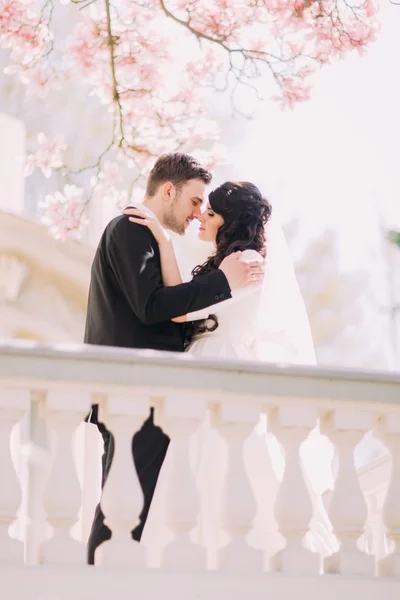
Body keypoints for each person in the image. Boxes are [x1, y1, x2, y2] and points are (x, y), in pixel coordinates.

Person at [124, 181, 337, 567]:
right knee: (195, 472)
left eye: (210, 213)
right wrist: (163, 238)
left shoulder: (247, 262)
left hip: (220, 369)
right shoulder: (228, 263)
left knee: (218, 469)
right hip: (205, 364)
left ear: (230, 220)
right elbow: (183, 298)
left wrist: (163, 240)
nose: (201, 218)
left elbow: (180, 310)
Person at [84, 155, 264, 565]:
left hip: (146, 393)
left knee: (135, 501)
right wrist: (222, 282)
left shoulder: (146, 235)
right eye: (196, 201)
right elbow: (152, 307)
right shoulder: (131, 228)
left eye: (207, 207)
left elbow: (171, 308)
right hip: (133, 391)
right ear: (169, 190)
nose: (199, 212)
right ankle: (96, 583)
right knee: (124, 504)